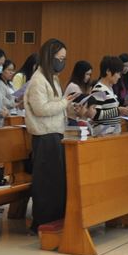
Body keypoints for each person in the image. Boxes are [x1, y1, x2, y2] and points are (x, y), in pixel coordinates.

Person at [25, 39, 95, 230]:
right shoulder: (38, 80)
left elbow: (56, 106)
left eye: (64, 59)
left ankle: (56, 219)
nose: (62, 62)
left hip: (56, 132)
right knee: (46, 182)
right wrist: (65, 103)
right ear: (49, 57)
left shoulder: (52, 79)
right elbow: (41, 109)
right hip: (44, 135)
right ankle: (42, 222)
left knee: (57, 181)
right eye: (59, 58)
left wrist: (71, 107)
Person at [90, 55, 128, 127]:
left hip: (112, 131)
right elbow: (96, 114)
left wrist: (123, 110)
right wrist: (118, 110)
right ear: (108, 71)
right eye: (118, 73)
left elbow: (110, 111)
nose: (119, 76)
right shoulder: (99, 89)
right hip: (103, 132)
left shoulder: (109, 88)